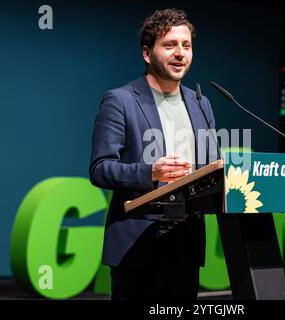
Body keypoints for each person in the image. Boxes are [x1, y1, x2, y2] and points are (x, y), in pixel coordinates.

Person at [89, 8, 217, 300]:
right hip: (139, 241)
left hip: (186, 239)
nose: (180, 53)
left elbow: (211, 168)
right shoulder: (120, 101)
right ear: (147, 53)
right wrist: (150, 172)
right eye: (169, 45)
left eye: (186, 45)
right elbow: (100, 169)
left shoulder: (201, 103)